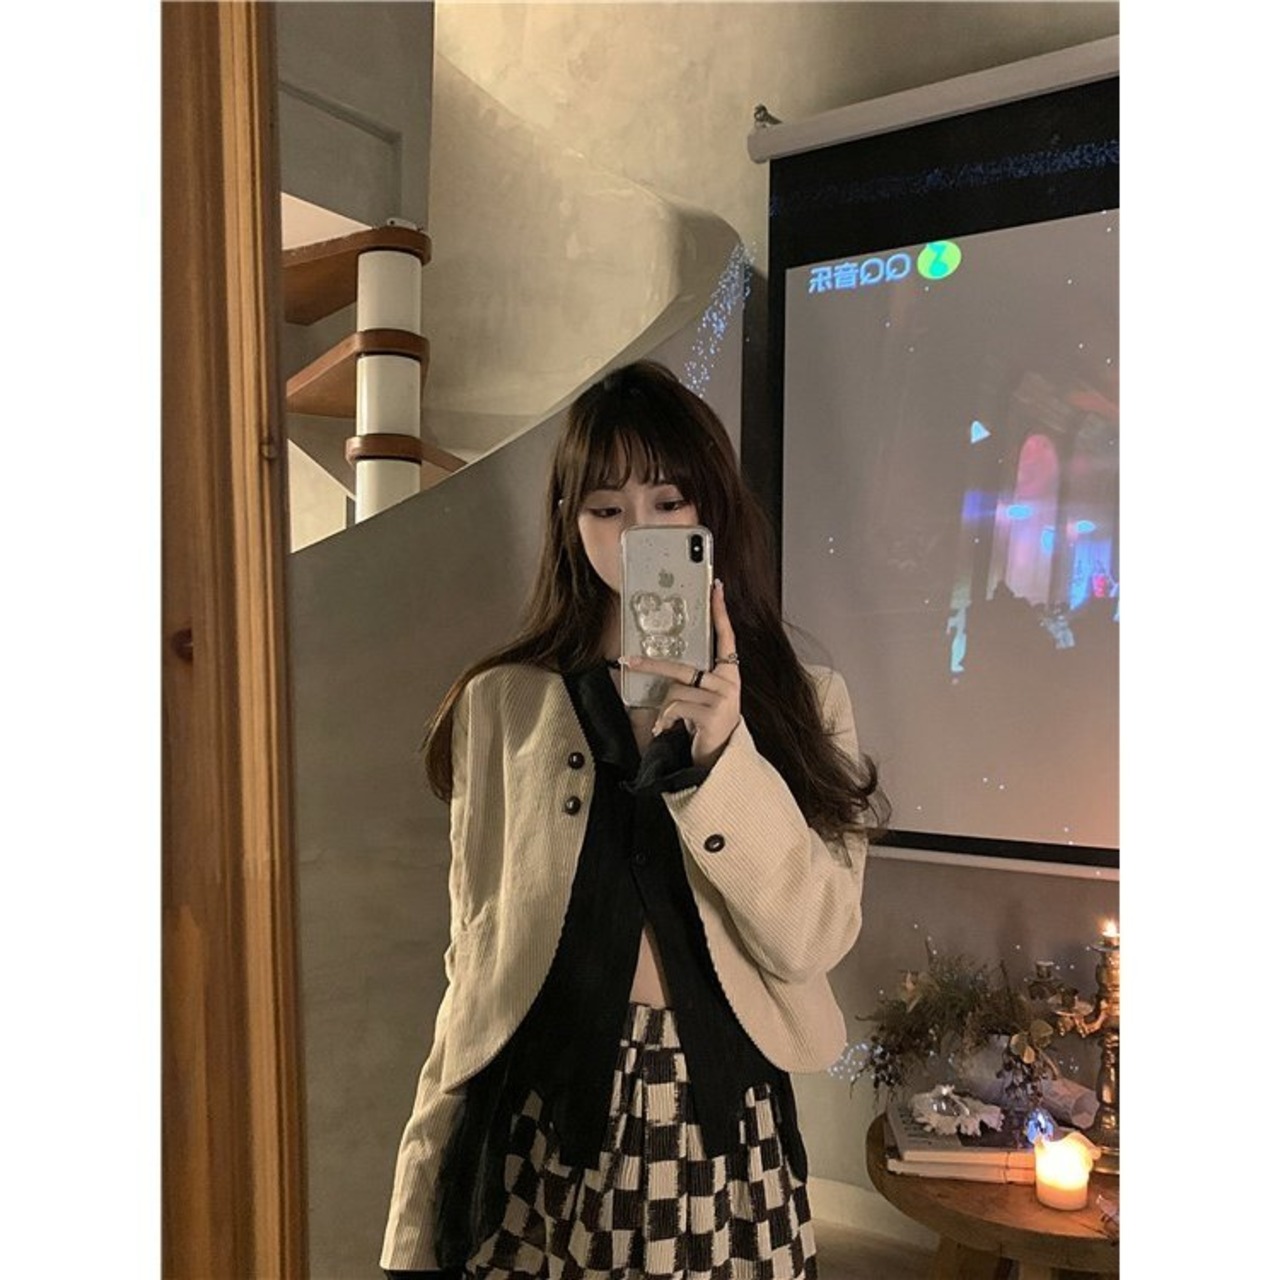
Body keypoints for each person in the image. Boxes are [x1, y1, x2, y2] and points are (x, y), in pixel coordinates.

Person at [381, 360, 885, 1280]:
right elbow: (473, 965)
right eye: (606, 507)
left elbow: (814, 938)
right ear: (571, 525)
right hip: (542, 1121)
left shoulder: (805, 702)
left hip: (720, 1133)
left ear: (710, 511)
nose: (638, 532)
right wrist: (415, 1208)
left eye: (667, 501)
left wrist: (725, 758)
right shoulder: (505, 705)